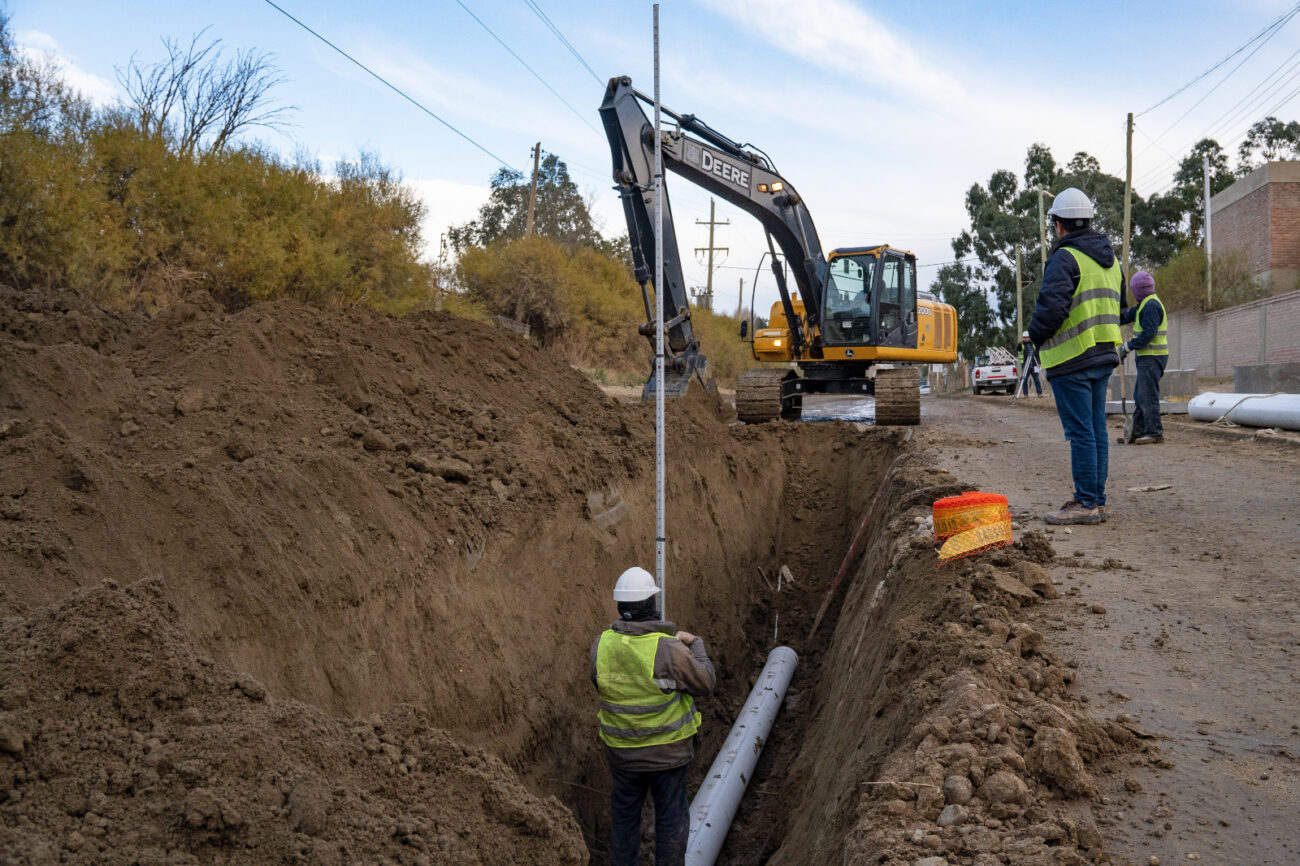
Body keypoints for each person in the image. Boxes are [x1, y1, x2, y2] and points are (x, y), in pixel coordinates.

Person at [591, 566, 716, 866]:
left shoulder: (601, 645)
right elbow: (705, 683)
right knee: (670, 819)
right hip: (667, 755)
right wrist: (696, 646)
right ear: (651, 605)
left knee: (624, 821)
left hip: (623, 755)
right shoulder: (667, 649)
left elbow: (600, 683)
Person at [1027, 187, 1126, 525]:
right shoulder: (1111, 262)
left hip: (1072, 359)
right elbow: (1121, 307)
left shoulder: (1065, 258)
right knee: (1096, 430)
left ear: (1058, 225)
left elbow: (1051, 310)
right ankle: (1096, 501)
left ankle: (1085, 502)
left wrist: (1034, 335)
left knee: (1081, 432)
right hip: (1103, 354)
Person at [1118, 271, 1167, 444]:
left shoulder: (1151, 306)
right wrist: (1107, 320)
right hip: (1147, 358)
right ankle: (1138, 432)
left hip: (1152, 358)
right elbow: (1125, 317)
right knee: (1140, 396)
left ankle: (1154, 433)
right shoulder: (1143, 305)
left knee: (1148, 396)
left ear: (1138, 290)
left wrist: (1128, 346)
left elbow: (1148, 334)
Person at [1018, 331, 1042, 396]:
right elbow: (1018, 349)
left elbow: (1037, 354)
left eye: (1027, 337)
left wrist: (1039, 362)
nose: (1025, 338)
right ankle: (1025, 394)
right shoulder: (1021, 344)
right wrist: (1019, 344)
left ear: (1029, 337)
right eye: (1024, 337)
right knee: (1024, 380)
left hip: (1033, 364)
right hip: (1025, 365)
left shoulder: (1033, 344)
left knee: (1036, 379)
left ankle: (1039, 393)